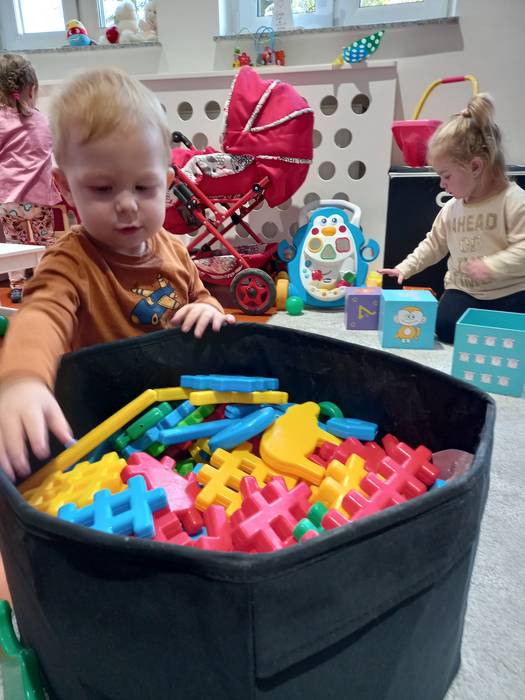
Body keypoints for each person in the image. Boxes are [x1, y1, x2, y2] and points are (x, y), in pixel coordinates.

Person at [0, 67, 235, 482]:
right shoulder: (71, 260)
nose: (127, 205)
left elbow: (200, 297)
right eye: (102, 189)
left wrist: (209, 310)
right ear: (66, 188)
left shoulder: (175, 250)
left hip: (178, 418)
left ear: (166, 183)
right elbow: (41, 315)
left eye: (144, 188)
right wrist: (23, 380)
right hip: (103, 426)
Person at [380, 93, 525, 343]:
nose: (441, 184)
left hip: (510, 291)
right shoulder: (451, 209)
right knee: (444, 327)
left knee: (514, 330)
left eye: (446, 176)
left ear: (476, 167)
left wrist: (492, 266)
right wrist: (405, 267)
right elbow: (433, 244)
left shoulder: (514, 201)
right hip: (464, 290)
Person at [0, 53, 62, 303]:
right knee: (44, 241)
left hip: (9, 199)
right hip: (40, 197)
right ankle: (46, 282)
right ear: (32, 88)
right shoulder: (42, 120)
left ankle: (17, 285)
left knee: (15, 243)